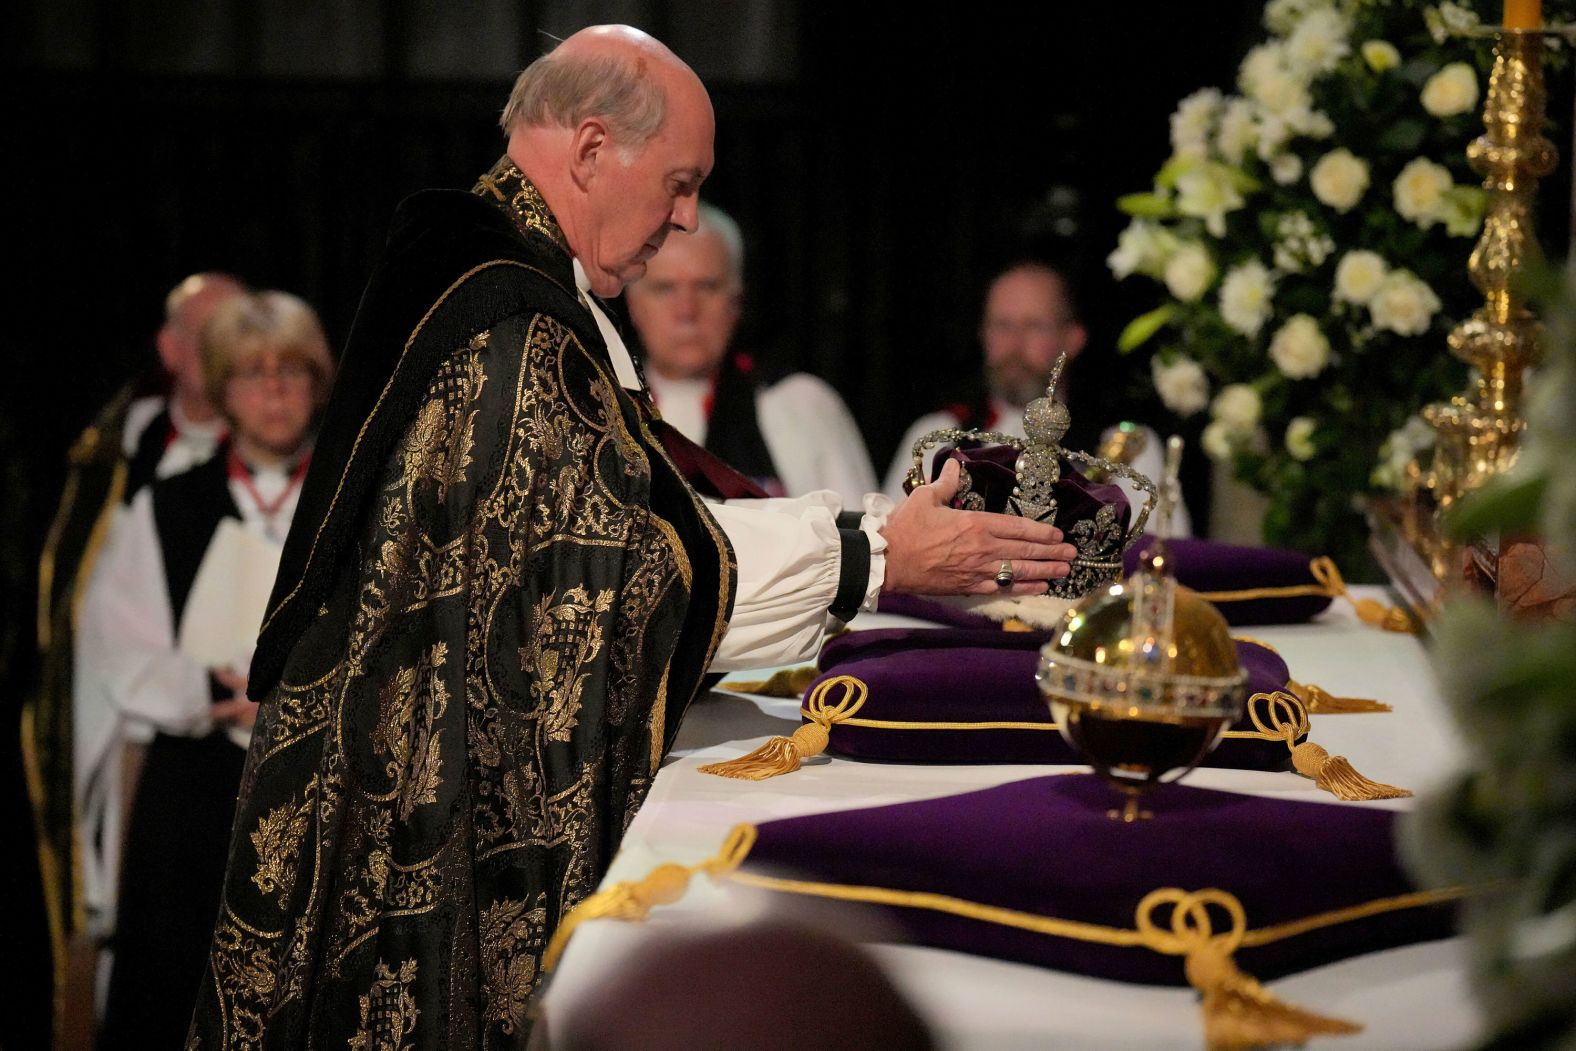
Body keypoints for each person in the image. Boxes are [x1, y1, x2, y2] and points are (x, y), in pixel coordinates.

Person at [188, 25, 1075, 1047]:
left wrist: (870, 537)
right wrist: (876, 558)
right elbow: (609, 585)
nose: (688, 217)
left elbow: (641, 529)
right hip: (415, 827)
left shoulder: (507, 281)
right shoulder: (508, 330)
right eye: (682, 181)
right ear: (594, 150)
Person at [85, 290, 333, 1047]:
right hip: (194, 787)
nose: (275, 390)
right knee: (177, 982)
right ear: (223, 388)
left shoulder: (342, 501)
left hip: (314, 779)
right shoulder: (167, 506)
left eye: (292, 371)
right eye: (254, 373)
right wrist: (207, 693)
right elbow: (119, 646)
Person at [25, 271, 248, 1036]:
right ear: (172, 349)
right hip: (131, 743)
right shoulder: (115, 453)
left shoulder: (273, 464)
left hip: (233, 745)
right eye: (213, 336)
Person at [882, 261, 1190, 535]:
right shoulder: (936, 437)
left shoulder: (1124, 446)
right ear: (982, 334)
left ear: (1073, 338)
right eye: (1002, 325)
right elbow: (891, 545)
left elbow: (1162, 558)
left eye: (1034, 326)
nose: (1015, 344)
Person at [625, 202, 878, 503]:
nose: (686, 310)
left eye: (706, 286)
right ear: (633, 305)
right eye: (665, 288)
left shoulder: (801, 406)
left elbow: (863, 540)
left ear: (737, 300)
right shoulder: (603, 408)